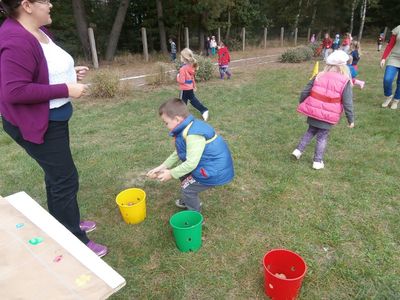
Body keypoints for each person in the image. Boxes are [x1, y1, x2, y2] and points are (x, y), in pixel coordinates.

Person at [0, 0, 107, 257]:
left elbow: (42, 70)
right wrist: (66, 89)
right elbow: (14, 90)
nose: (50, 4)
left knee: (57, 175)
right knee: (65, 179)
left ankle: (65, 223)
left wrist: (69, 73)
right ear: (26, 5)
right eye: (45, 0)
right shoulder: (15, 38)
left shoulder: (39, 32)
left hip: (54, 118)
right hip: (39, 123)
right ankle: (74, 240)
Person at [146, 98, 234, 212]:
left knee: (187, 189)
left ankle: (195, 216)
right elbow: (180, 152)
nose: (165, 125)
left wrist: (171, 173)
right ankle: (188, 199)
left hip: (214, 170)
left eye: (166, 122)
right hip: (207, 164)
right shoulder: (187, 127)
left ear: (177, 119)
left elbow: (191, 163)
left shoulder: (193, 134)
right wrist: (164, 166)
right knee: (184, 176)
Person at [292, 50, 355, 170]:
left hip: (313, 112)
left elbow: (305, 91)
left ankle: (298, 150)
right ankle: (317, 161)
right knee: (322, 137)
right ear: (344, 66)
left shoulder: (319, 75)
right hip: (328, 116)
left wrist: (303, 102)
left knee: (310, 131)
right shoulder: (345, 80)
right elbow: (347, 101)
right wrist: (350, 119)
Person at [177, 48, 209, 121]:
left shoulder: (183, 69)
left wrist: (177, 77)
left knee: (182, 102)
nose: (180, 58)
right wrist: (194, 86)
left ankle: (182, 116)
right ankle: (204, 110)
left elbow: (182, 81)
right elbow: (192, 78)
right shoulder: (191, 66)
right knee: (192, 100)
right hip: (190, 88)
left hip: (184, 89)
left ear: (184, 58)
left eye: (181, 56)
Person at [380, 25, 400, 109]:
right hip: (394, 58)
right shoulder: (398, 28)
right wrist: (383, 58)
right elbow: (390, 45)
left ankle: (396, 100)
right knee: (387, 79)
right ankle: (388, 96)